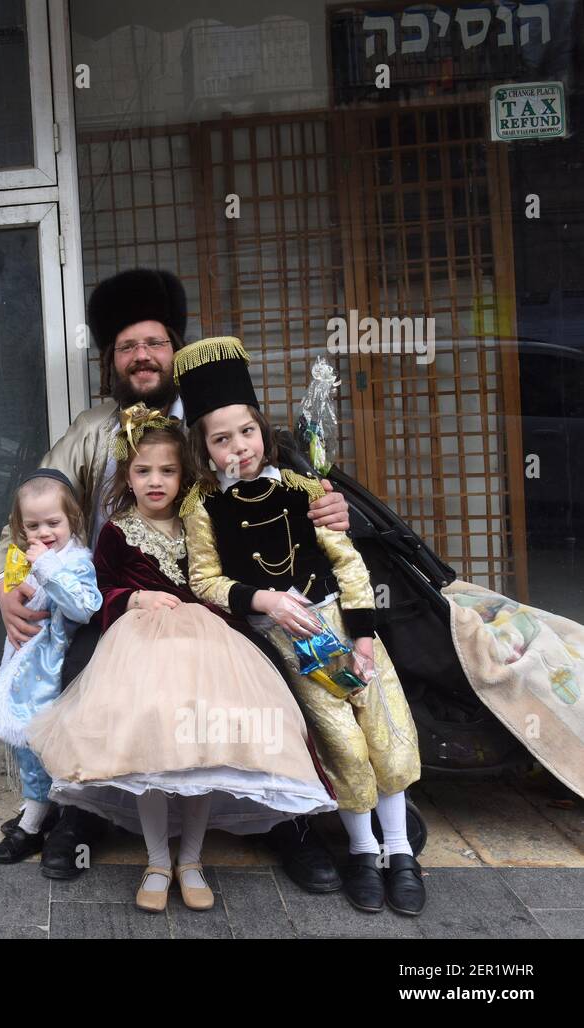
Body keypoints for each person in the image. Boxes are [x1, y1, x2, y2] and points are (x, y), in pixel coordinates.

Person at [0, 268, 351, 885]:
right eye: (127, 347)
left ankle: (287, 825)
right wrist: (6, 582)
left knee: (272, 679)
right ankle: (78, 818)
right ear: (111, 361)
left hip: (221, 596)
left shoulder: (216, 419)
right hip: (117, 602)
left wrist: (329, 510)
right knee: (79, 670)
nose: (142, 357)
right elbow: (27, 520)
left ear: (174, 349)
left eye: (154, 343)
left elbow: (288, 491)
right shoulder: (87, 432)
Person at [29, 405, 335, 912]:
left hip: (207, 646)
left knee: (200, 748)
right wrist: (133, 599)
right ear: (126, 475)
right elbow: (97, 592)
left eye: (168, 471)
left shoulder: (205, 518)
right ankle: (156, 859)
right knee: (153, 747)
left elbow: (226, 576)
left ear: (185, 474)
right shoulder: (117, 531)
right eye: (143, 471)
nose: (155, 481)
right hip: (141, 649)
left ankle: (191, 859)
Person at [176, 336, 425, 916]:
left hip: (344, 627)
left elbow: (350, 565)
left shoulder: (304, 491)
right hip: (293, 645)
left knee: (384, 729)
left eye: (246, 431)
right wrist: (263, 599)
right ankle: (363, 851)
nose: (237, 446)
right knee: (340, 742)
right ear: (204, 450)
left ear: (262, 430)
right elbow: (205, 581)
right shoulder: (202, 509)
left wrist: (363, 637)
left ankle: (400, 851)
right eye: (220, 439)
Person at [0, 471, 101, 863]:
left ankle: (43, 821)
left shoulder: (76, 562)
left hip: (55, 672)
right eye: (33, 525)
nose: (44, 532)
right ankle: (38, 811)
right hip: (26, 671)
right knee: (27, 748)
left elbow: (84, 607)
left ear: (73, 522)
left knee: (49, 747)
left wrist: (49, 567)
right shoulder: (27, 560)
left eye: (54, 523)